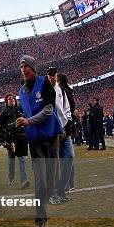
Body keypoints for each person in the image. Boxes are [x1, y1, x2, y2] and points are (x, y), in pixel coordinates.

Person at [17, 56, 63, 227]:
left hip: (51, 138)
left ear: (33, 67)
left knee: (51, 180)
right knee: (40, 181)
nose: (23, 69)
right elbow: (26, 113)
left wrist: (28, 121)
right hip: (35, 141)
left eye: (26, 66)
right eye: (21, 66)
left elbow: (48, 110)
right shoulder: (21, 91)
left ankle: (43, 209)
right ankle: (40, 220)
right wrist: (20, 123)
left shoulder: (45, 84)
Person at [47, 68, 73, 204]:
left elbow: (67, 108)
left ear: (56, 77)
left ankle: (62, 189)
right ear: (47, 76)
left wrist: (67, 122)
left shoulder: (61, 91)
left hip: (64, 130)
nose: (52, 77)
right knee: (54, 164)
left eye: (54, 75)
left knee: (69, 158)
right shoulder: (43, 91)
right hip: (51, 132)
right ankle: (53, 193)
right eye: (50, 75)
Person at [0, 93, 29, 189]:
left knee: (22, 160)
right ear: (6, 101)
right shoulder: (4, 112)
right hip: (10, 140)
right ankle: (11, 178)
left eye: (13, 98)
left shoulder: (21, 109)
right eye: (9, 99)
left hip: (21, 138)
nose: (12, 99)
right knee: (11, 161)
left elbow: (27, 119)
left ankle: (24, 181)